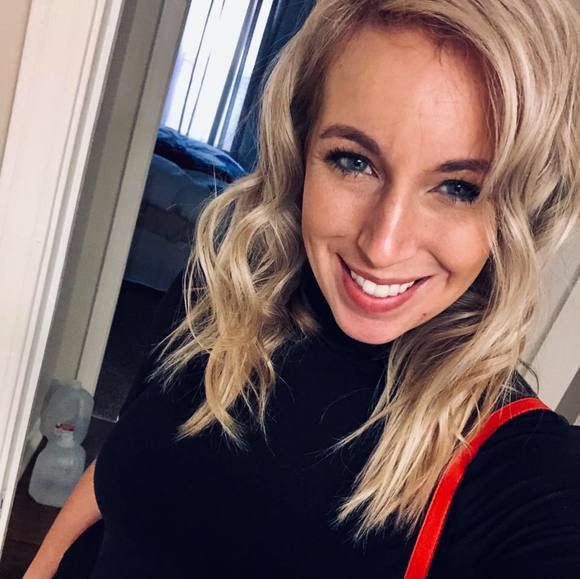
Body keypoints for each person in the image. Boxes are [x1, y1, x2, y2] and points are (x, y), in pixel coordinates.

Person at [25, 0, 580, 577]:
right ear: (301, 148)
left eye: (459, 187)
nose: (383, 244)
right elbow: (122, 465)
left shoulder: (515, 465)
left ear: (520, 206)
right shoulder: (223, 288)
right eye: (353, 161)